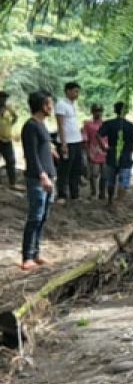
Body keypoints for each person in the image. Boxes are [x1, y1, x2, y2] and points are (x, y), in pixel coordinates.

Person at [20, 91, 57, 270]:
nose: (52, 107)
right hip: (37, 179)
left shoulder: (42, 125)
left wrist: (52, 152)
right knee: (35, 217)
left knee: (43, 217)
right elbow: (31, 154)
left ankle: (36, 253)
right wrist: (42, 175)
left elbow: (42, 148)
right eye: (50, 104)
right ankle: (27, 256)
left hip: (49, 176)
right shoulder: (30, 126)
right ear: (43, 106)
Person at [98, 102, 133, 206]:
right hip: (126, 155)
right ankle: (119, 201)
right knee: (123, 180)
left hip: (112, 153)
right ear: (126, 111)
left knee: (111, 179)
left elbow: (98, 135)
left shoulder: (109, 123)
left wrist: (103, 147)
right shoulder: (131, 126)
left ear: (115, 110)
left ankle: (110, 200)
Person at [54, 82, 85, 201]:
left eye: (78, 92)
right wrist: (63, 143)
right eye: (75, 91)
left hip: (77, 141)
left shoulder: (73, 105)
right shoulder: (61, 104)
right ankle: (62, 194)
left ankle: (74, 194)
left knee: (76, 168)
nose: (77, 94)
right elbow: (61, 125)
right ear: (68, 91)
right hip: (67, 142)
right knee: (64, 169)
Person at [81, 104, 107, 199]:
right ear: (92, 112)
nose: (98, 113)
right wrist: (87, 152)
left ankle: (102, 193)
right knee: (93, 174)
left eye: (99, 111)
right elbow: (85, 140)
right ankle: (93, 192)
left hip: (105, 153)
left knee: (104, 174)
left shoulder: (106, 124)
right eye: (96, 111)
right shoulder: (88, 125)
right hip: (93, 152)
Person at [0, 90, 19, 190]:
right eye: (2, 98)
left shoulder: (8, 108)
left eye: (5, 98)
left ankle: (12, 183)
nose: (3, 100)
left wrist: (10, 125)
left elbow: (16, 117)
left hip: (7, 139)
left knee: (11, 161)